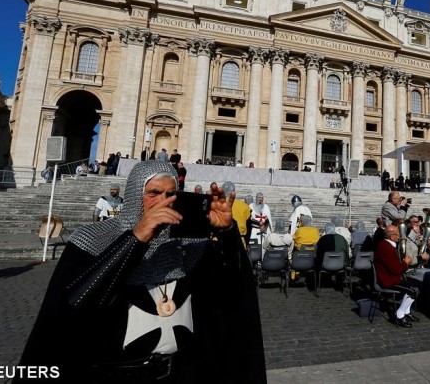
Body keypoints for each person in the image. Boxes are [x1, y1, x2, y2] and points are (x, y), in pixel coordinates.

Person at [17, 160, 266, 383]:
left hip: (183, 372)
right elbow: (73, 308)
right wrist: (137, 238)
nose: (164, 201)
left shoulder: (189, 246)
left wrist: (226, 233)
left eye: (171, 194)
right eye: (154, 193)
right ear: (136, 196)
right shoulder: (93, 239)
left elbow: (234, 291)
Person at [374, 225, 418, 327]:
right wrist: (406, 263)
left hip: (390, 277)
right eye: (398, 234)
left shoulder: (386, 245)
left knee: (415, 285)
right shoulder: (387, 248)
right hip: (388, 280)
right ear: (392, 236)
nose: (399, 237)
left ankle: (406, 313)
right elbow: (396, 270)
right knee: (412, 291)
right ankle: (399, 315)